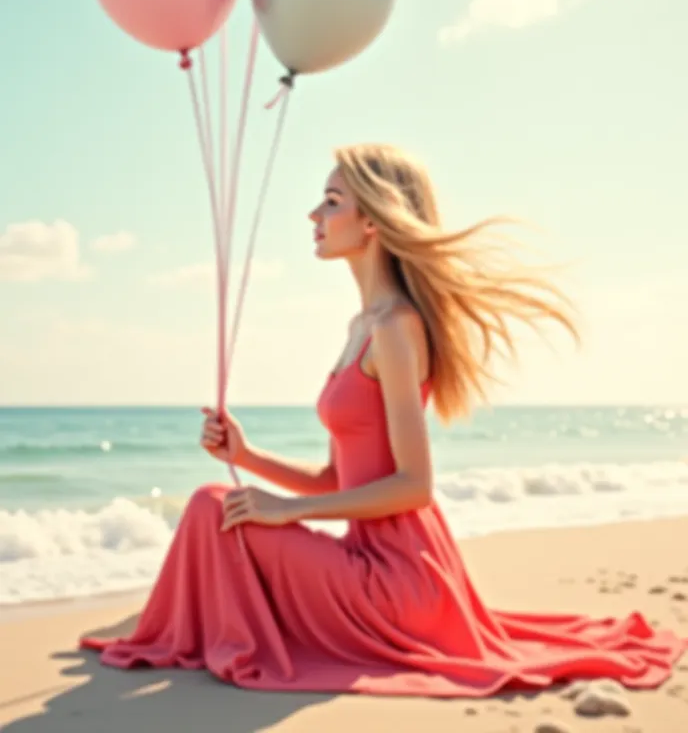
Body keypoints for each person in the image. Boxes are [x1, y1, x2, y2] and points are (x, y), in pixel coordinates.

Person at [82, 143, 686, 696]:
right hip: (369, 563)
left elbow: (414, 486)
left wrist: (286, 510)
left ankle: (178, 637)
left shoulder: (396, 329)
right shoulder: (362, 328)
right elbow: (335, 480)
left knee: (215, 506)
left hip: (399, 581)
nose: (314, 215)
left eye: (332, 201)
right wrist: (246, 456)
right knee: (216, 497)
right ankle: (180, 635)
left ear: (372, 219)